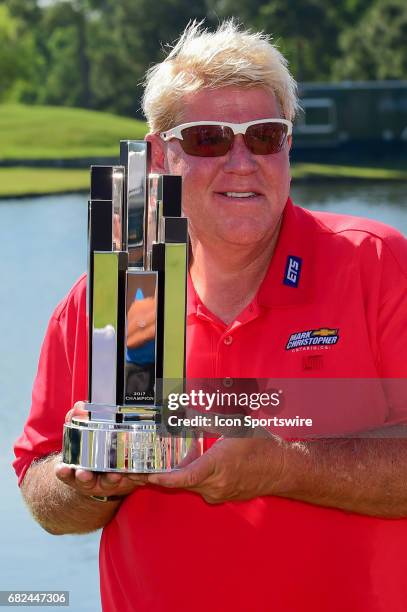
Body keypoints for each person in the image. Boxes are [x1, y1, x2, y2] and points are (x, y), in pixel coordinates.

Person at [14, 20, 407, 612]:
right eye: (208, 139)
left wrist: (282, 466)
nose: (243, 161)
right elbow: (42, 490)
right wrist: (91, 483)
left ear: (289, 147)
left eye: (266, 136)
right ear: (158, 156)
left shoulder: (376, 264)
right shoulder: (109, 298)